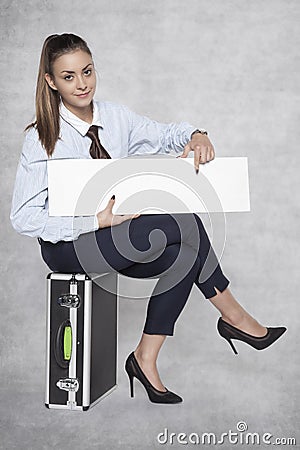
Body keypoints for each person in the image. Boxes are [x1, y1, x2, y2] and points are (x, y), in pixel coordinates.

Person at [10, 33, 286, 405]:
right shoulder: (42, 137)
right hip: (70, 246)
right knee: (186, 224)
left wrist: (196, 134)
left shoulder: (116, 118)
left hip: (116, 240)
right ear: (51, 81)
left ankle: (145, 358)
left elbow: (165, 134)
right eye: (69, 76)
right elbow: (23, 217)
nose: (82, 84)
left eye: (87, 72)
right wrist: (93, 222)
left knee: (183, 255)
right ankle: (234, 318)